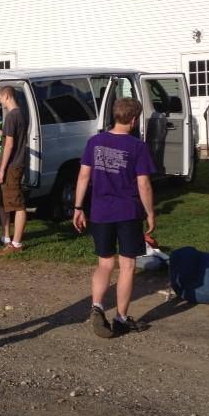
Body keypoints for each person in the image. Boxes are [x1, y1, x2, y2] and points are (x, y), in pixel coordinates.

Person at [72, 97, 156, 338]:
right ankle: (120, 317)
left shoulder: (95, 142)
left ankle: (97, 306)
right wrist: (150, 212)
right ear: (134, 119)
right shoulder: (137, 147)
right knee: (127, 265)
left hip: (100, 210)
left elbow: (83, 177)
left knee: (105, 263)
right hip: (128, 211)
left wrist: (78, 207)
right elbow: (144, 184)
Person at [0, 86, 28, 254]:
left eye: (0, 98)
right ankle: (6, 237)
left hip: (12, 165)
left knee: (18, 204)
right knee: (3, 200)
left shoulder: (11, 116)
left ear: (6, 96)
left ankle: (16, 244)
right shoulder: (20, 114)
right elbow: (9, 135)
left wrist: (2, 170)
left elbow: (9, 144)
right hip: (15, 164)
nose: (0, 102)